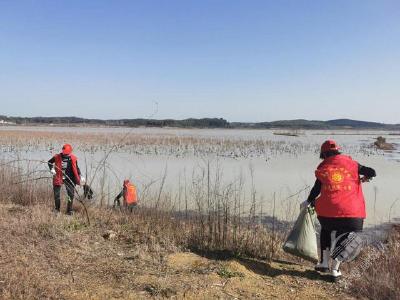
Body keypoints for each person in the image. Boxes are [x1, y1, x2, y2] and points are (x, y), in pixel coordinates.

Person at [304, 140, 376, 280]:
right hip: (352, 213)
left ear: (323, 154)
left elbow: (316, 190)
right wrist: (367, 177)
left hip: (327, 212)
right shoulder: (353, 164)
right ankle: (335, 270)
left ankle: (324, 263)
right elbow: (372, 171)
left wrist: (308, 201)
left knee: (326, 229)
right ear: (338, 151)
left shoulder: (324, 166)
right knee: (347, 237)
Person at [48, 144, 85, 215]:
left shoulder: (73, 158)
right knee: (57, 194)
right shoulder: (57, 157)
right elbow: (49, 162)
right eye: (65, 154)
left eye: (67, 154)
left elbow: (76, 168)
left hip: (69, 178)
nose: (66, 155)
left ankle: (69, 210)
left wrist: (80, 175)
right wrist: (52, 169)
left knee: (70, 195)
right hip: (58, 177)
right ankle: (57, 210)